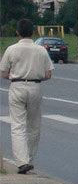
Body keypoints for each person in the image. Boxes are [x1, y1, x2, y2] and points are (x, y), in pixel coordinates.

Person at [1, 18, 55, 174]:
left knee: (17, 125)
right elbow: (48, 74)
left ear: (17, 32)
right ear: (33, 32)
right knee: (33, 126)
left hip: (17, 86)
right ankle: (29, 159)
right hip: (35, 87)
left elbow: (4, 74)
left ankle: (21, 161)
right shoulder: (41, 50)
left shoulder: (11, 49)